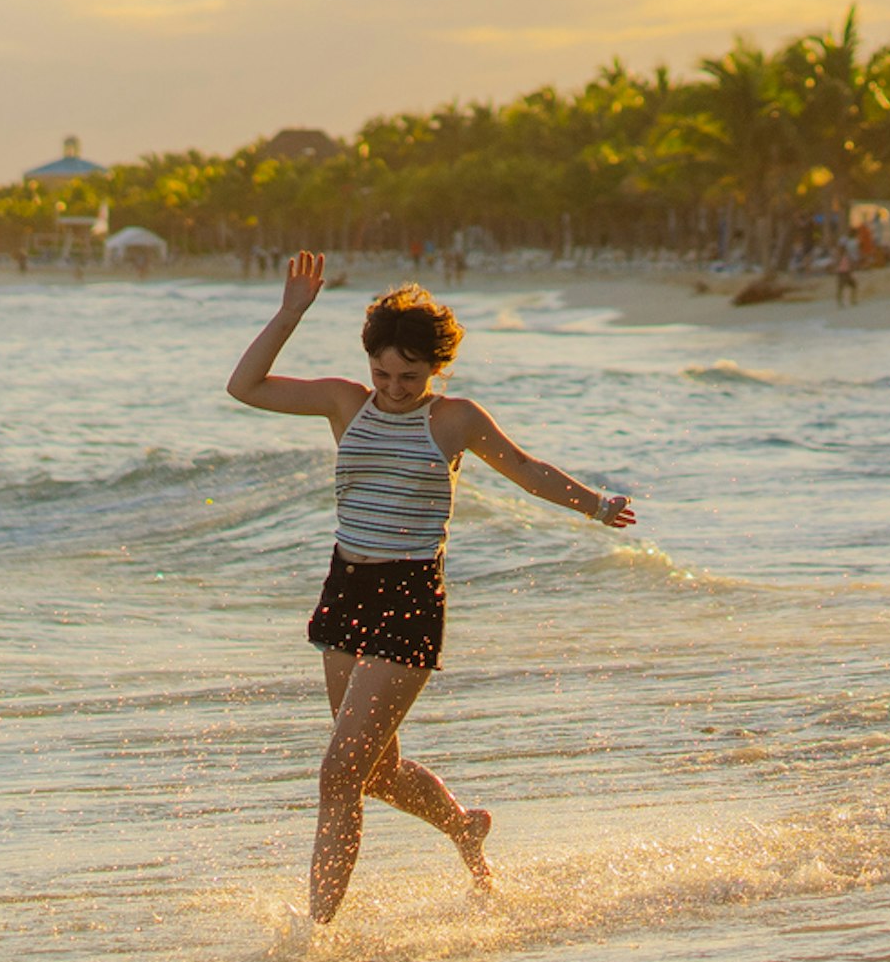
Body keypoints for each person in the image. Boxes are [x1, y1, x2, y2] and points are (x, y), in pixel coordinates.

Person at [226, 250, 637, 923]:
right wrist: (290, 311)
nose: (392, 385)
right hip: (345, 589)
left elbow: (528, 470)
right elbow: (245, 387)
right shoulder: (343, 403)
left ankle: (319, 939)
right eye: (382, 371)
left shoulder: (454, 420)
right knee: (375, 772)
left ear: (437, 367)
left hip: (409, 601)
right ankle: (462, 825)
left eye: (408, 375)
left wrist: (592, 504)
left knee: (338, 776)